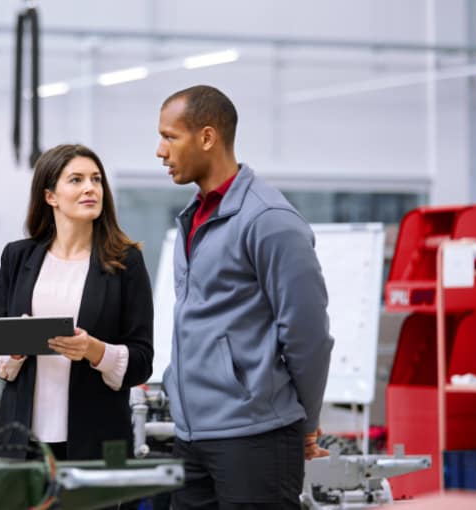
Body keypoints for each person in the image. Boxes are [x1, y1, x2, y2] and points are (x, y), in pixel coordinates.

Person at [156, 84, 334, 509]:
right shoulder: (194, 216)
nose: (160, 151)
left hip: (255, 437)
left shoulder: (268, 220)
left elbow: (307, 332)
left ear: (206, 137)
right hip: (192, 436)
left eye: (169, 136)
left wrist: (306, 421)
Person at [0, 143, 154, 463]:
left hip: (97, 441)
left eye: (96, 179)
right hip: (22, 443)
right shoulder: (17, 257)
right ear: (50, 196)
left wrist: (95, 351)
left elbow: (143, 359)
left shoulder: (126, 262)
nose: (90, 188)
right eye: (76, 180)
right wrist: (15, 350)